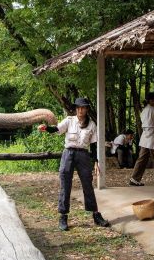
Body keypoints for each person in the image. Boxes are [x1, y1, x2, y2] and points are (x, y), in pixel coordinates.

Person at [38, 97, 110, 230]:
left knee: (88, 184)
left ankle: (96, 215)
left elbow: (94, 145)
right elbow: (57, 129)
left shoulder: (92, 125)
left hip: (83, 155)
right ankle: (63, 217)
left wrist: (96, 161)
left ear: (87, 109)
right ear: (76, 109)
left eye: (83, 108)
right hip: (68, 154)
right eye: (78, 108)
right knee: (65, 183)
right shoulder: (69, 120)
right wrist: (46, 128)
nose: (80, 110)